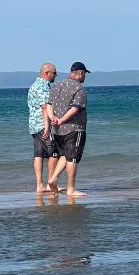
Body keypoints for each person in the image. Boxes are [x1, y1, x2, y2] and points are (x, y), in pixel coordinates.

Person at [47, 61, 90, 197]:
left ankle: (53, 179)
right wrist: (61, 120)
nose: (84, 77)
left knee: (65, 155)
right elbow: (75, 109)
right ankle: (71, 189)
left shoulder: (56, 86)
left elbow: (49, 105)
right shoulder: (79, 89)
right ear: (80, 73)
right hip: (74, 128)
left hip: (57, 130)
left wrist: (53, 118)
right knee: (72, 159)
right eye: (84, 74)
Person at [27, 63, 58, 193]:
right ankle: (51, 183)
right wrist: (47, 126)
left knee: (38, 155)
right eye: (54, 73)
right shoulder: (43, 86)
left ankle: (39, 184)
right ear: (46, 73)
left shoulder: (34, 85)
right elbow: (45, 107)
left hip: (34, 125)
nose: (55, 75)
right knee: (54, 154)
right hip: (42, 124)